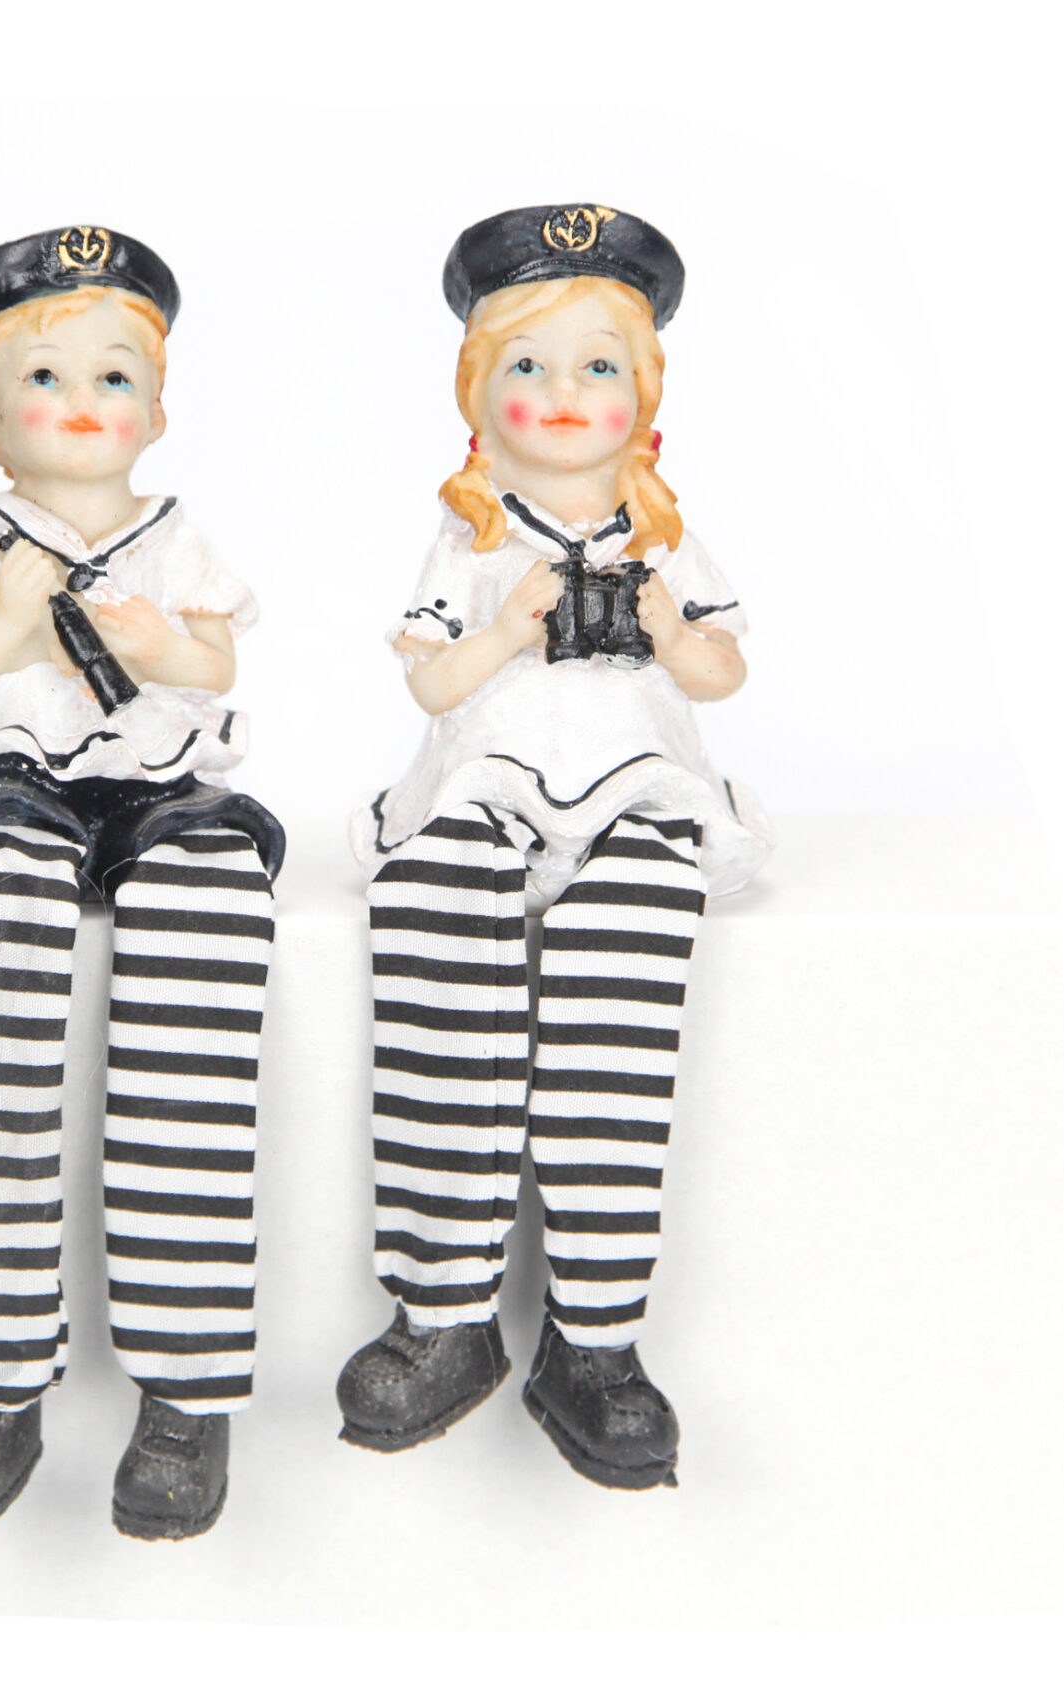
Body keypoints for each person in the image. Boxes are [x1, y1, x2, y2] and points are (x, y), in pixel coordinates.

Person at [336, 204, 772, 1490]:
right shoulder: (475, 538)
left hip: (636, 778)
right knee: (431, 913)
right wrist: (511, 625)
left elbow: (722, 669)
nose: (566, 393)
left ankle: (596, 1336)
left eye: (598, 366)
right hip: (488, 772)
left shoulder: (662, 536)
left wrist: (665, 627)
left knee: (629, 960)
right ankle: (443, 1307)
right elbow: (430, 684)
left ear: (646, 396)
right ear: (477, 396)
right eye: (528, 364)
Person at [0, 226, 282, 1539]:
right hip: (13, 769)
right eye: (44, 379)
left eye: (113, 378)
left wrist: (150, 637)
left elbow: (214, 665)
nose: (80, 403)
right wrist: (15, 613)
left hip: (154, 772)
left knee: (208, 910)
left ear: (157, 410)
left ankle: (187, 1383)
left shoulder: (174, 535)